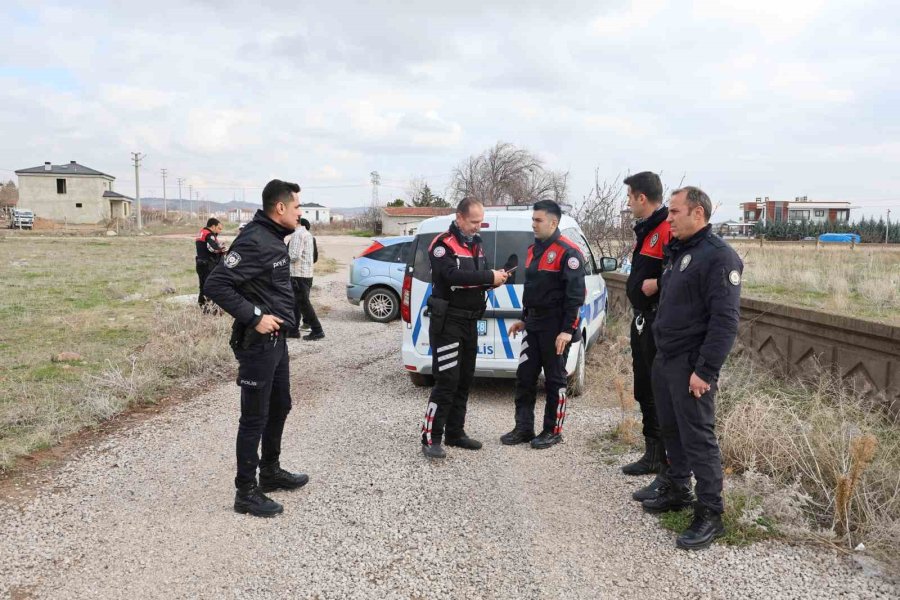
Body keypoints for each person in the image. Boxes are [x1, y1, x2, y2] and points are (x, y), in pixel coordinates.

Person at [641, 186, 743, 551]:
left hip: (690, 364)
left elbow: (725, 322)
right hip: (666, 358)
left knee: (698, 438)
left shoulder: (719, 258)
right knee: (672, 430)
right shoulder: (681, 252)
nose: (668, 219)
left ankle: (710, 513)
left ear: (697, 213)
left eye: (674, 212)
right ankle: (678, 488)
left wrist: (705, 371)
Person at [204, 179, 309, 518]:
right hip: (258, 345)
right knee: (254, 418)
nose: (299, 212)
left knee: (280, 405)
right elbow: (216, 283)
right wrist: (255, 317)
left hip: (277, 343)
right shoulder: (254, 240)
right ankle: (246, 492)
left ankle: (271, 471)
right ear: (280, 208)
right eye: (296, 207)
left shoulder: (274, 238)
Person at [420, 197, 509, 459]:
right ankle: (430, 437)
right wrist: (487, 276)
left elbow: (474, 280)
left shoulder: (477, 244)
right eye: (473, 222)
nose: (477, 227)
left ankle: (455, 433)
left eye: (480, 222)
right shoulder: (442, 244)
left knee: (464, 378)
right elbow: (451, 276)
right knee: (446, 379)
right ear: (459, 217)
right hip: (448, 321)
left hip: (471, 321)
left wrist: (494, 281)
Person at [502, 199, 586, 450]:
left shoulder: (569, 252)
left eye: (538, 220)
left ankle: (552, 430)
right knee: (525, 378)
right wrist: (523, 319)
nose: (534, 225)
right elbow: (533, 290)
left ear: (553, 222)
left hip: (556, 327)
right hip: (534, 324)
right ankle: (524, 428)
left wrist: (567, 331)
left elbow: (575, 297)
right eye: (533, 220)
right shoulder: (532, 250)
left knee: (554, 381)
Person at [620, 172, 673, 502]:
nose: (627, 203)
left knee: (658, 392)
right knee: (644, 388)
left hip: (658, 322)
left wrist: (659, 285)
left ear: (642, 198)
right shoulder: (647, 230)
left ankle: (667, 465)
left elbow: (681, 273)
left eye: (629, 197)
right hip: (643, 321)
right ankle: (651, 454)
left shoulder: (666, 229)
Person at [287, 217, 324, 340]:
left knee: (303, 304)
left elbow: (293, 256)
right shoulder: (307, 234)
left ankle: (317, 330)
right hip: (305, 274)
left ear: (296, 222)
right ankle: (293, 330)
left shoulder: (298, 234)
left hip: (298, 275)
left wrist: (279, 256)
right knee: (296, 303)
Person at [195, 218, 226, 312]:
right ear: (213, 226)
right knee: (210, 286)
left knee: (203, 286)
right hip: (207, 265)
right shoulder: (209, 234)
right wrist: (223, 250)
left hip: (201, 263)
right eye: (219, 229)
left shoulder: (202, 232)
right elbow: (213, 248)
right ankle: (210, 309)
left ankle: (203, 306)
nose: (220, 231)